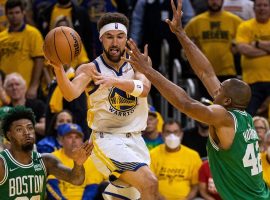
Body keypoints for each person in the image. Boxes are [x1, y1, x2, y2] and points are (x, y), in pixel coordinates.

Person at [124, 0, 270, 199]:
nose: (215, 92)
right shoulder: (243, 117)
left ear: (227, 101)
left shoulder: (224, 117)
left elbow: (186, 104)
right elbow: (206, 73)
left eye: (219, 92)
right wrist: (181, 34)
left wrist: (149, 72)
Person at [48, 12, 159, 200]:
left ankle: (114, 193)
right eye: (109, 37)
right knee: (150, 183)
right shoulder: (90, 69)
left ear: (126, 38)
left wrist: (114, 81)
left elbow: (144, 89)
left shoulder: (140, 62)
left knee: (133, 195)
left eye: (119, 37)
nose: (115, 43)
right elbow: (70, 93)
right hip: (107, 139)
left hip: (136, 140)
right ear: (101, 39)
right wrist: (58, 69)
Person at [0, 106, 92, 199]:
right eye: (19, 129)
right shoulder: (2, 163)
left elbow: (76, 179)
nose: (26, 132)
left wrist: (78, 164)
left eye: (30, 128)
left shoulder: (46, 161)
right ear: (9, 135)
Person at [47, 123, 105, 200]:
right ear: (61, 141)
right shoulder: (53, 158)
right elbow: (51, 186)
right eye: (69, 137)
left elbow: (92, 188)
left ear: (82, 141)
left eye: (77, 137)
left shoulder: (91, 160)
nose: (74, 140)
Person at [0, 0, 45, 99]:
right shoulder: (1, 36)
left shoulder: (33, 33)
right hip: (5, 89)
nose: (14, 16)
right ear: (6, 15)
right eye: (10, 13)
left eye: (17, 12)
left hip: (25, 88)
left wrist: (34, 86)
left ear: (23, 13)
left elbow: (39, 60)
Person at [150, 119, 202, 199]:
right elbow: (150, 183)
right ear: (163, 134)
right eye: (168, 132)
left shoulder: (193, 155)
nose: (172, 136)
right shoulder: (152, 154)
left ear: (181, 134)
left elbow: (196, 185)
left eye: (175, 132)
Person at [235, 0, 270, 116]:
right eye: (259, 5)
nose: (262, 8)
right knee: (248, 116)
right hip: (251, 81)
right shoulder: (245, 26)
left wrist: (256, 44)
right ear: (253, 8)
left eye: (265, 5)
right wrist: (267, 51)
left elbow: (249, 48)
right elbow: (243, 49)